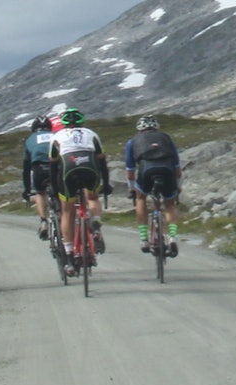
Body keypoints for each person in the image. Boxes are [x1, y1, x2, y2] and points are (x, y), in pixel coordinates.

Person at [49, 107, 112, 276]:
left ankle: (69, 257)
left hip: (68, 170)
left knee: (67, 211)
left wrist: (55, 190)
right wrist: (106, 184)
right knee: (92, 197)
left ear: (63, 124)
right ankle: (96, 224)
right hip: (89, 167)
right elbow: (102, 162)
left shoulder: (57, 137)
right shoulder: (91, 134)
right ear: (81, 121)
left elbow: (53, 165)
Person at [124, 115, 182, 257]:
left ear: (139, 129)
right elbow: (177, 168)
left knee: (141, 198)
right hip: (167, 170)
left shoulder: (132, 141)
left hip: (146, 170)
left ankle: (144, 238)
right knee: (169, 204)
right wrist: (178, 187)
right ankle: (173, 237)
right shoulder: (166, 138)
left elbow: (130, 170)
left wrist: (132, 188)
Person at [22, 115, 54, 240]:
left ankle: (43, 221)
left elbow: (26, 168)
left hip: (39, 168)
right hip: (56, 167)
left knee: (40, 193)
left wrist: (27, 190)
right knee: (61, 193)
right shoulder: (56, 135)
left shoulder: (30, 139)